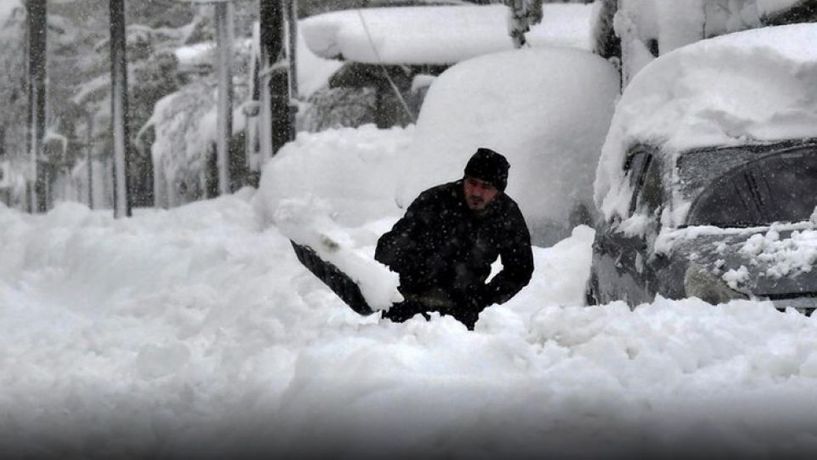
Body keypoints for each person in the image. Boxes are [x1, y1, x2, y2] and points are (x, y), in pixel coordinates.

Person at [375, 147, 534, 330]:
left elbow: (520, 270)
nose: (477, 192)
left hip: (459, 315)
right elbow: (387, 250)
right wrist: (413, 266)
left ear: (498, 192)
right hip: (408, 305)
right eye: (472, 183)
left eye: (486, 187)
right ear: (464, 179)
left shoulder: (507, 216)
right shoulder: (434, 201)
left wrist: (483, 299)